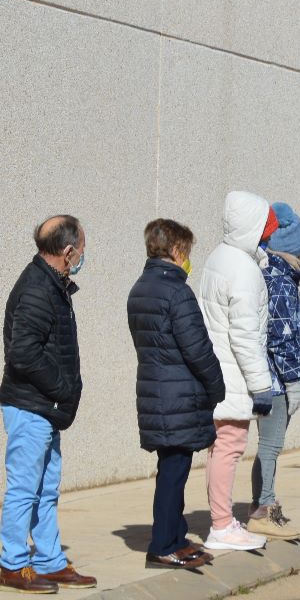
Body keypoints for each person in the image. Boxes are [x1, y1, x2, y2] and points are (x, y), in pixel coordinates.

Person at [0, 215, 95, 595]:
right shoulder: (38, 288)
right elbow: (23, 353)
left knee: (46, 487)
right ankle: (13, 564)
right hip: (30, 405)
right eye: (82, 251)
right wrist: (62, 388)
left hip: (44, 406)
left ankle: (49, 562)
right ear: (68, 252)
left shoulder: (52, 285)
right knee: (24, 487)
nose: (83, 256)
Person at [128, 219, 223, 570]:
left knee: (172, 466)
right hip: (177, 395)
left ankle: (176, 535)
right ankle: (163, 543)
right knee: (174, 470)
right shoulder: (176, 291)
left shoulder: (141, 287)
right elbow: (197, 348)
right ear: (177, 250)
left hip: (156, 392)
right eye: (188, 251)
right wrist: (217, 386)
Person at [196, 191, 278, 552]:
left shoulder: (220, 258)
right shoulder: (243, 270)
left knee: (219, 449)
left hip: (218, 372)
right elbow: (245, 336)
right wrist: (261, 386)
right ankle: (222, 525)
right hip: (232, 376)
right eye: (265, 230)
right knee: (229, 448)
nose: (268, 237)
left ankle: (221, 520)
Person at [248, 202, 300, 540]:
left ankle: (265, 505)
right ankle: (263, 509)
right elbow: (282, 337)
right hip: (275, 383)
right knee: (271, 446)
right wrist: (293, 382)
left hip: (273, 381)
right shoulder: (280, 282)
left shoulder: (276, 276)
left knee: (269, 446)